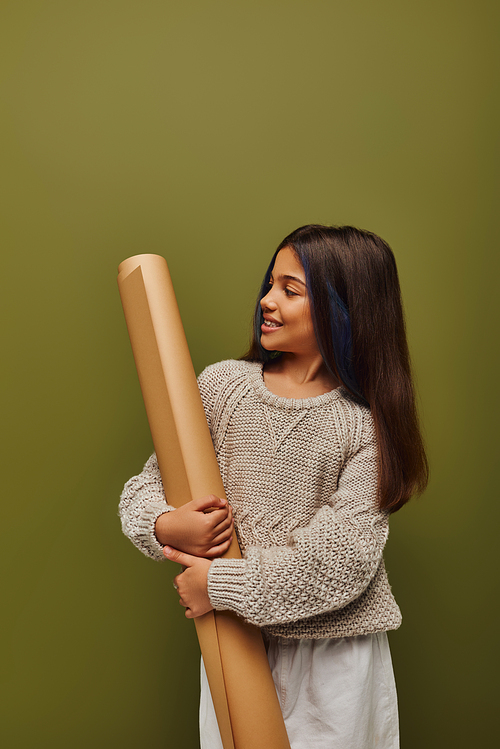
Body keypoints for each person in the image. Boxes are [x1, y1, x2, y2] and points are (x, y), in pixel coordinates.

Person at [119, 224, 428, 749]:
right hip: (235, 641)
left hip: (333, 661)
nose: (266, 300)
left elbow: (340, 561)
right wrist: (168, 524)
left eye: (290, 290)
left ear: (345, 308)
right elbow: (144, 489)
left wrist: (218, 586)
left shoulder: (364, 427)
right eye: (269, 284)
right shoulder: (222, 388)